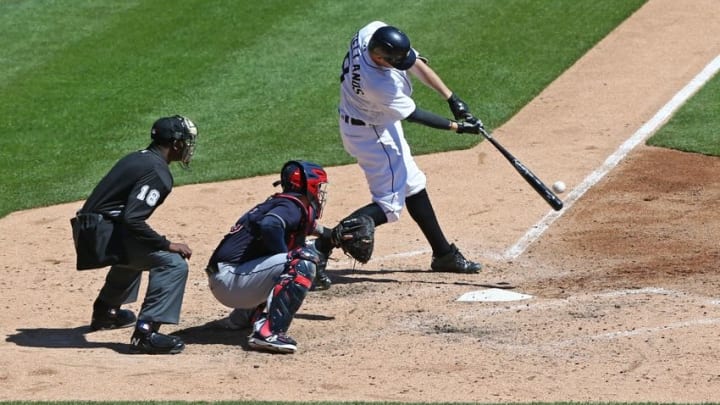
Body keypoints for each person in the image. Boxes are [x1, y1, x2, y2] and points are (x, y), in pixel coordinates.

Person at [310, 21, 484, 290]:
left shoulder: (371, 33)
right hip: (372, 134)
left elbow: (414, 62)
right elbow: (415, 115)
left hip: (374, 120)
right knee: (388, 207)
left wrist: (452, 98)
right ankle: (319, 248)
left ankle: (444, 254)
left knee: (413, 184)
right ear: (379, 57)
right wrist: (458, 127)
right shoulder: (377, 85)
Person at [72, 115, 198, 355]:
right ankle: (146, 333)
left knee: (137, 249)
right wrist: (167, 244)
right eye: (186, 142)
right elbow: (133, 219)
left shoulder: (139, 157)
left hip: (90, 230)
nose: (188, 147)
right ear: (175, 144)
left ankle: (106, 312)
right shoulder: (158, 172)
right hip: (102, 235)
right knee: (172, 263)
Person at [205, 160, 330, 354]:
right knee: (301, 260)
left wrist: (330, 235)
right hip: (232, 282)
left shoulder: (283, 204)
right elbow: (271, 225)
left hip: (228, 279)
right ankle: (267, 332)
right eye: (318, 186)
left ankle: (244, 317)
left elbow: (302, 227)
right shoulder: (290, 207)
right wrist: (286, 259)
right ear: (307, 185)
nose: (320, 192)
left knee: (287, 256)